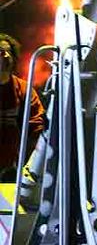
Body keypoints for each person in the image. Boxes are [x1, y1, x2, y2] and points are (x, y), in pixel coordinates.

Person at [0, 33, 45, 182]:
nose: (5, 56)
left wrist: (28, 164)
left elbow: (37, 126)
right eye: (1, 51)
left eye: (9, 52)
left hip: (10, 168)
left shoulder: (23, 88)